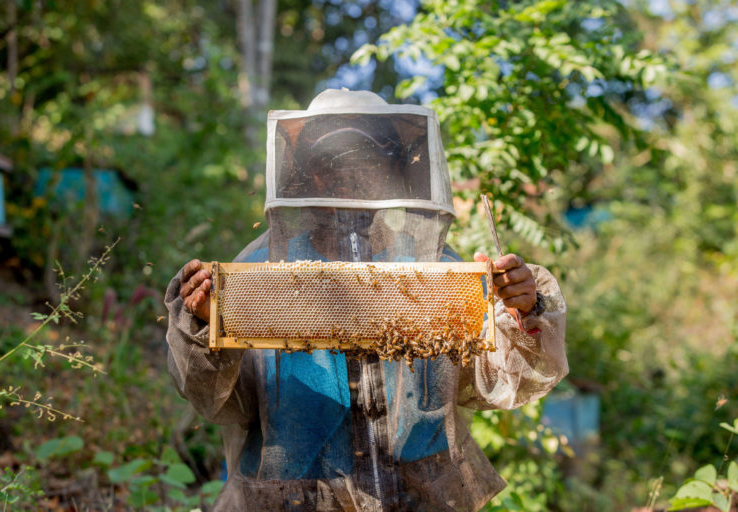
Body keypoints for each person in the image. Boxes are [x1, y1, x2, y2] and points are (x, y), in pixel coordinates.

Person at [165, 89, 568, 512]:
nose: (347, 177)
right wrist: (205, 325)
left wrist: (521, 309)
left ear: (395, 173)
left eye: (366, 161)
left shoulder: (436, 270)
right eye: (328, 163)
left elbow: (504, 380)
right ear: (305, 176)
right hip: (297, 499)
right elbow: (215, 397)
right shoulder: (260, 271)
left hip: (417, 497)